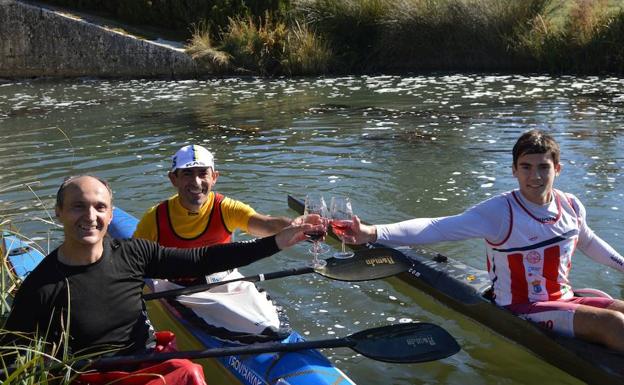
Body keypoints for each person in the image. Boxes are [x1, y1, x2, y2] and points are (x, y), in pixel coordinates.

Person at [2, 175, 320, 384]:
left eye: (100, 207)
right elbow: (9, 358)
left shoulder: (133, 254)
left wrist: (278, 241)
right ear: (59, 213)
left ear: (111, 216)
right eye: (77, 207)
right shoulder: (40, 287)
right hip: (95, 377)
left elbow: (203, 258)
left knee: (190, 372)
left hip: (152, 363)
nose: (90, 217)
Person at [340, 129, 624, 352]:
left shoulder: (571, 205)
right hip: (520, 308)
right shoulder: (499, 212)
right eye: (525, 167)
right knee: (615, 325)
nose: (535, 176)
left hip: (562, 297)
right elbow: (436, 227)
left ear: (557, 169)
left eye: (543, 168)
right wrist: (373, 233)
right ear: (513, 170)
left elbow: (588, 241)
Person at [133, 144, 295, 335]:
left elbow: (267, 225)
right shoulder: (155, 217)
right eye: (187, 174)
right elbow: (133, 261)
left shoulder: (225, 207)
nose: (196, 182)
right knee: (259, 328)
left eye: (203, 173)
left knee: (272, 326)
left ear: (214, 177)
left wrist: (296, 225)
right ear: (173, 179)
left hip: (226, 282)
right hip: (180, 290)